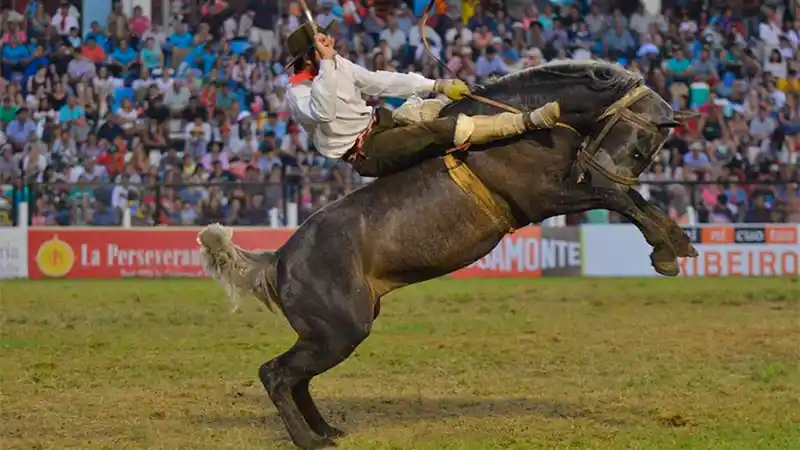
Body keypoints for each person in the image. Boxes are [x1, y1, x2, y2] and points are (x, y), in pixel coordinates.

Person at [285, 23, 559, 178]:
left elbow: (380, 81)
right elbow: (324, 112)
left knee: (432, 108)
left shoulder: (336, 64)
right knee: (445, 129)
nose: (329, 48)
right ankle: (526, 122)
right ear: (308, 56)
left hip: (380, 122)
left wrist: (436, 84)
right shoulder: (298, 93)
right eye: (319, 48)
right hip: (367, 149)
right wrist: (328, 63)